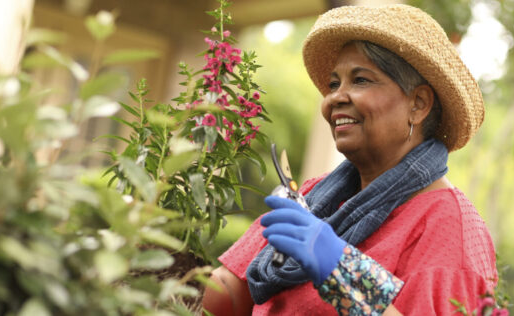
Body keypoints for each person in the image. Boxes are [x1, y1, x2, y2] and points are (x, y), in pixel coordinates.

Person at [202, 4, 496, 316]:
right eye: (333, 84)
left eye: (360, 80)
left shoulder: (450, 227)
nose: (335, 98)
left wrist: (339, 268)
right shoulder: (317, 194)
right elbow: (231, 294)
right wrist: (157, 264)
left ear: (419, 103)